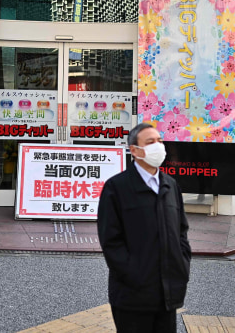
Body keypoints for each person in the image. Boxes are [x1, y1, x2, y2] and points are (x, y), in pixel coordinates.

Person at [97, 122, 192, 333]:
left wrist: (182, 265)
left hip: (167, 294)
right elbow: (110, 241)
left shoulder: (170, 185)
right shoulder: (117, 187)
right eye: (150, 142)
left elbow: (181, 231)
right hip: (132, 297)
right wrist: (134, 274)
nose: (158, 146)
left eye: (159, 141)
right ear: (134, 150)